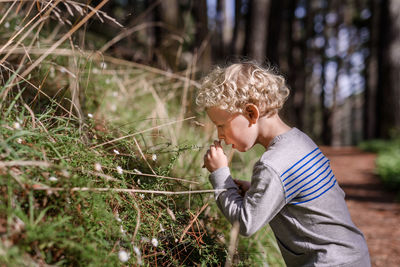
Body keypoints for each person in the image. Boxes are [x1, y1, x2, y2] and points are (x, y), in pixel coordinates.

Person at [196, 62, 371, 267]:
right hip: (351, 256)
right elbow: (299, 195)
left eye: (221, 126)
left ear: (251, 113)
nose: (220, 136)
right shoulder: (299, 142)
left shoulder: (273, 165)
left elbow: (246, 223)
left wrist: (220, 175)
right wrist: (255, 191)